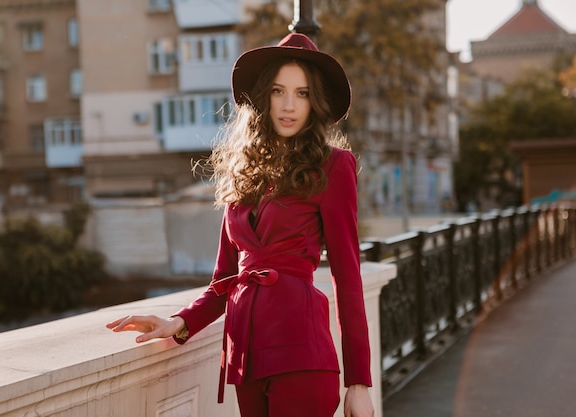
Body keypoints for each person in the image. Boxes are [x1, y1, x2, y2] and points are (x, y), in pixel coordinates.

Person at [106, 32, 375, 417]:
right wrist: (179, 322)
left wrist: (358, 383)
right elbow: (224, 280)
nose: (288, 105)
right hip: (244, 359)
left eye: (301, 94)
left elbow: (348, 278)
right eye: (279, 91)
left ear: (315, 103)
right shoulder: (242, 172)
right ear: (263, 97)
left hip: (302, 356)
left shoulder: (333, 166)